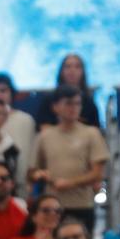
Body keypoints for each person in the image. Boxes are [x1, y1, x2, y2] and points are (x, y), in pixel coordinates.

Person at [28, 89, 107, 231]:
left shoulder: (91, 134)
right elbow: (32, 171)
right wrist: (39, 175)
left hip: (83, 204)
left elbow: (98, 173)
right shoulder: (45, 136)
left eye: (77, 104)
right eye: (69, 103)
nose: (73, 108)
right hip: (52, 207)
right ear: (55, 107)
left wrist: (69, 183)